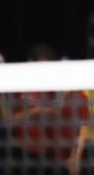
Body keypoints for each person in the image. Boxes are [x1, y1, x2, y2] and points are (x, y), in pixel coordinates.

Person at [7, 44, 89, 175]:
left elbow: (83, 129)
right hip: (22, 151)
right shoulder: (17, 86)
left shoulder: (74, 95)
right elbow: (8, 120)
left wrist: (76, 156)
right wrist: (37, 111)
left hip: (52, 156)